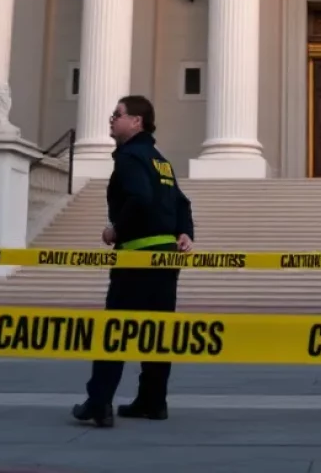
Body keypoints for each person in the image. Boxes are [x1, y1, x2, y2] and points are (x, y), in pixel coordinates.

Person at [72, 94, 195, 428]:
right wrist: (185, 233)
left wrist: (116, 229)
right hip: (166, 257)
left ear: (136, 121)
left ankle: (98, 402)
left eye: (117, 114)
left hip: (137, 254)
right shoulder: (159, 160)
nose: (112, 119)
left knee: (116, 328)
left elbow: (140, 198)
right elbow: (182, 203)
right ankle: (153, 401)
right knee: (157, 330)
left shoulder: (130, 157)